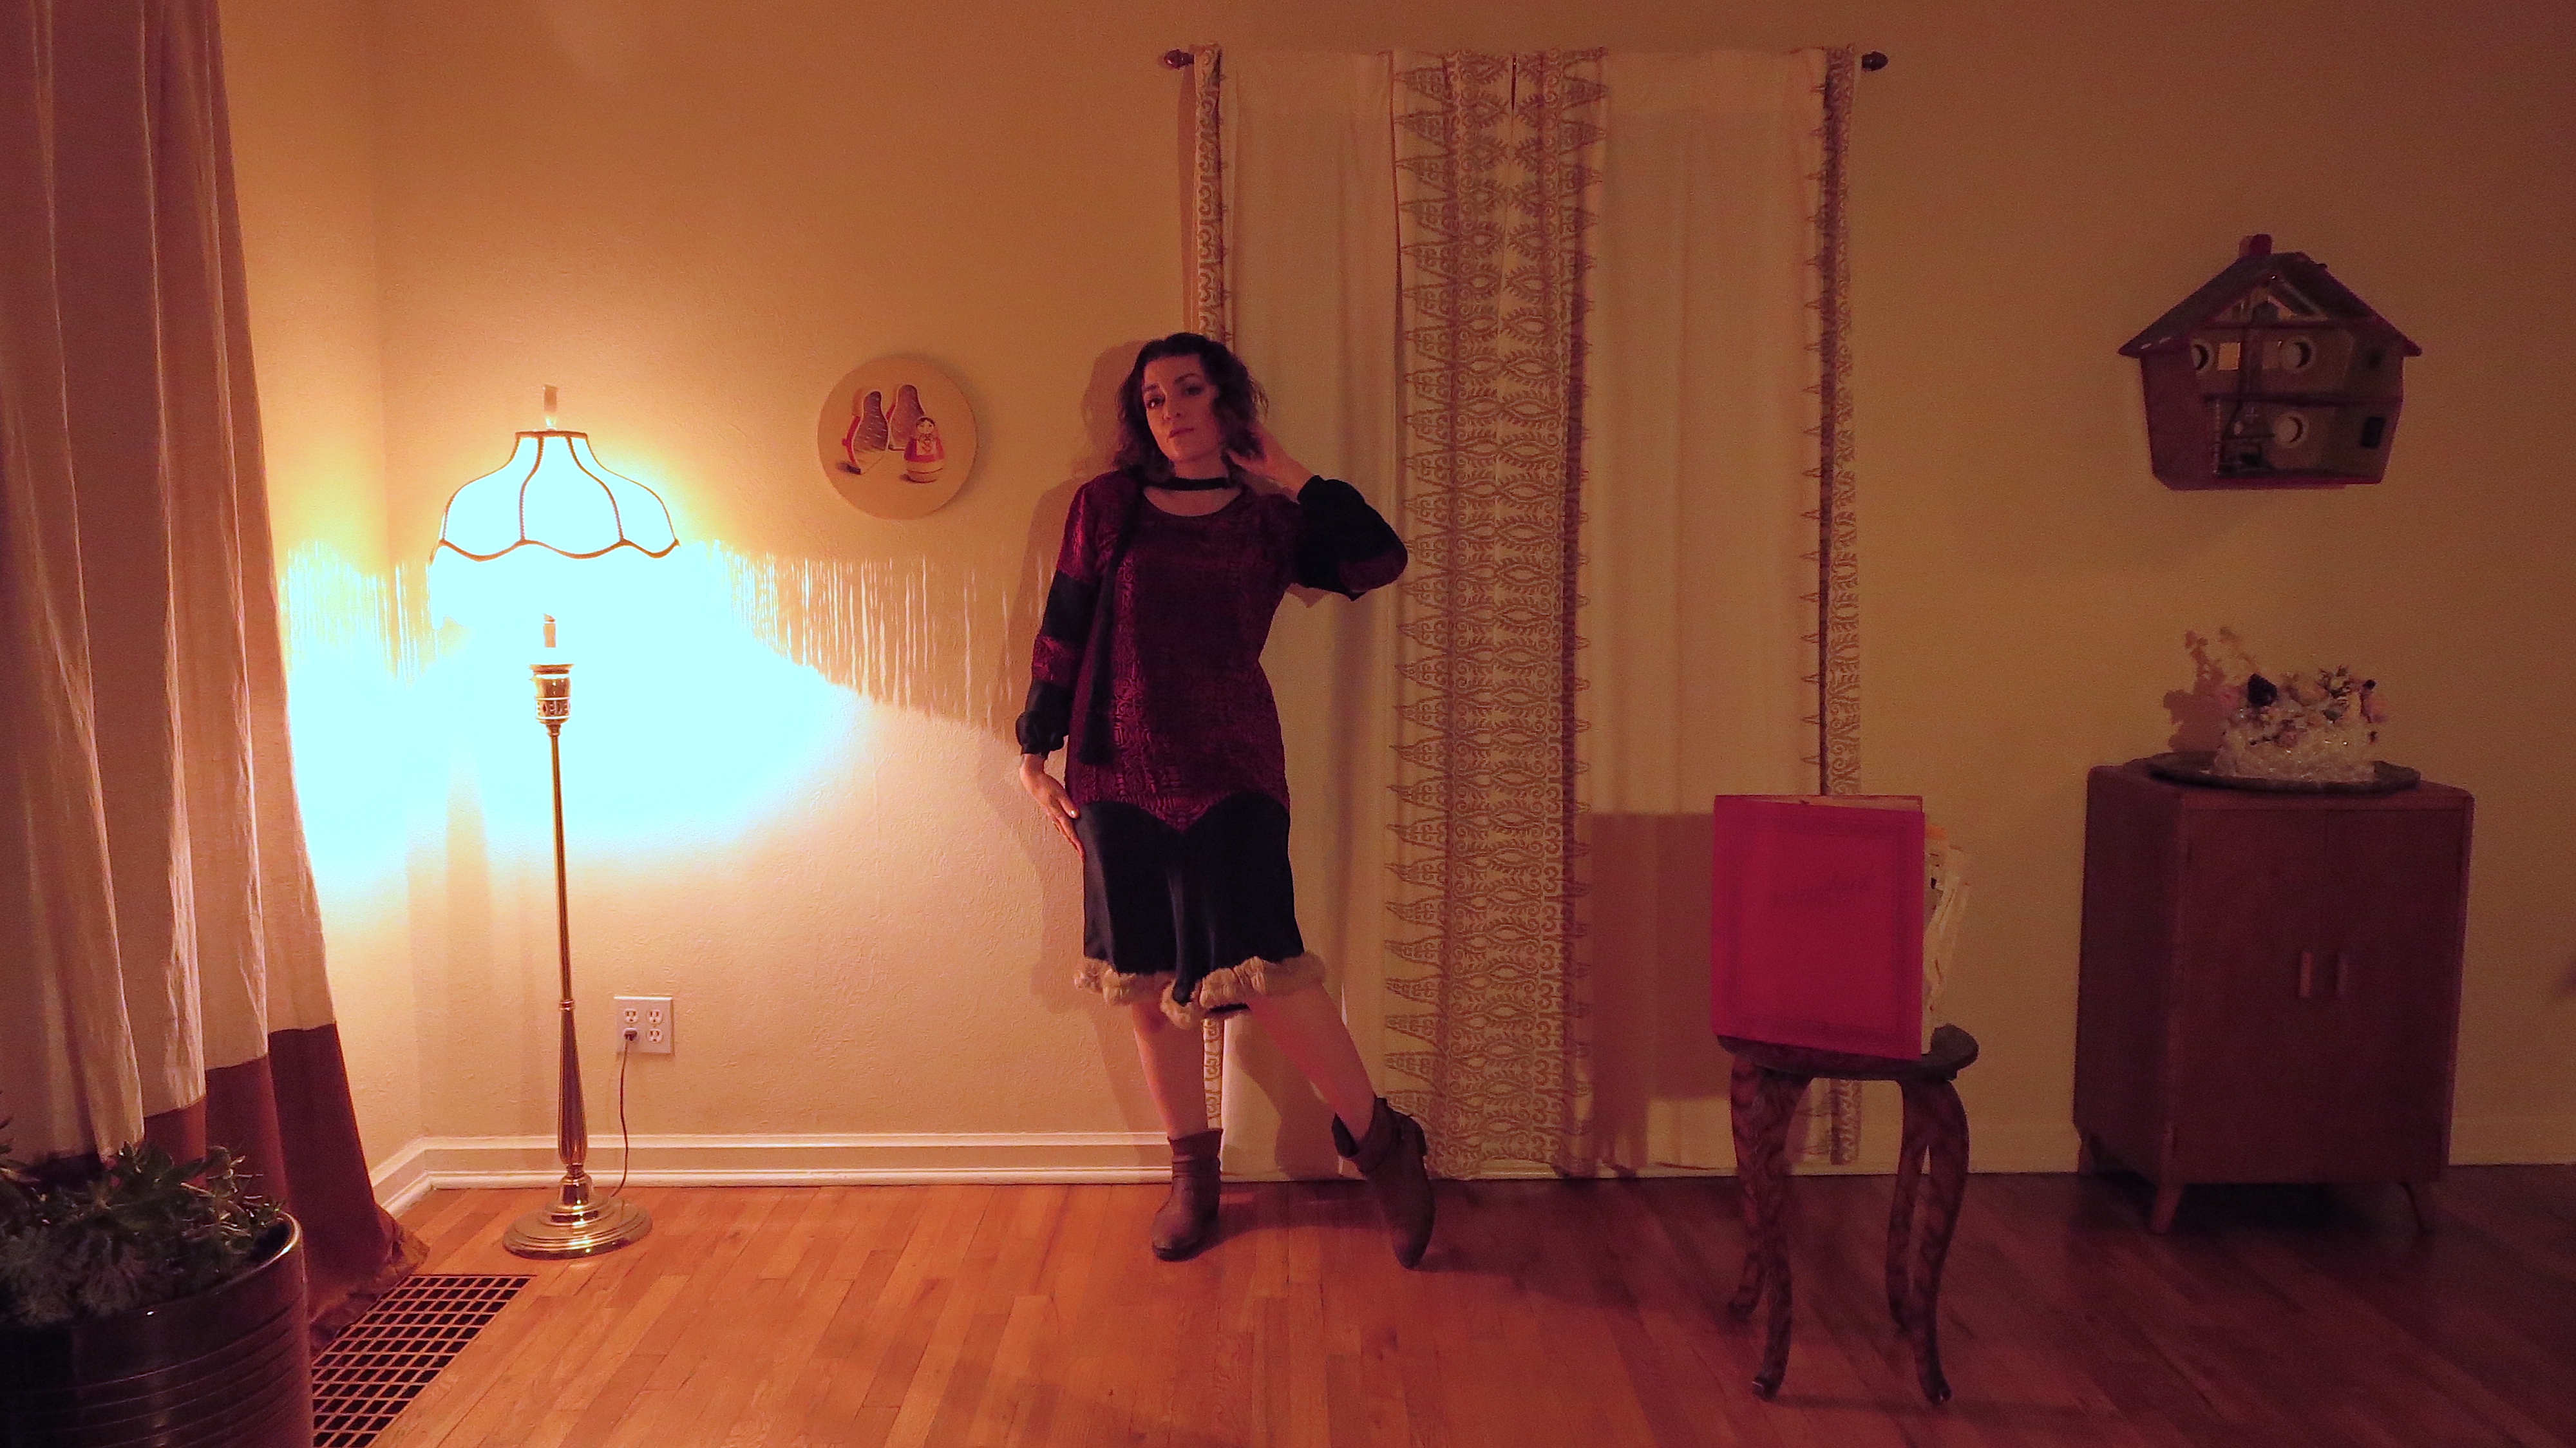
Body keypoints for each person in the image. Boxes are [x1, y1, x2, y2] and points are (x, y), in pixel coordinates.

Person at [1015, 333, 1434, 1266]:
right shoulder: (1106, 506)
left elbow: (1378, 559)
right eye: (1154, 398)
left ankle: (1381, 1144)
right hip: (1115, 769)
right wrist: (1034, 750)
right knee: (1145, 977)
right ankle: (1191, 1177)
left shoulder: (1272, 519)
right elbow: (1064, 626)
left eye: (1189, 390)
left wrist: (1289, 472)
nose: (1170, 410)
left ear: (1226, 400)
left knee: (1268, 967)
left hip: (1232, 766)